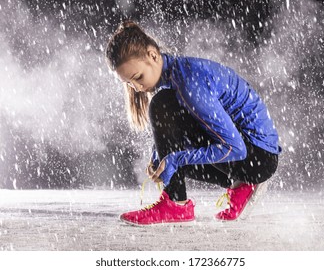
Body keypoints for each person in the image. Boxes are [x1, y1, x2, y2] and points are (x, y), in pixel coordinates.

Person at [105, 20, 281, 226]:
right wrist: (161, 156)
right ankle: (241, 185)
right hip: (256, 159)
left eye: (138, 77)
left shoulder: (190, 83)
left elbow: (236, 149)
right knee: (168, 152)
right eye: (129, 83)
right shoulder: (177, 78)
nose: (136, 88)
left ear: (153, 55)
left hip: (257, 159)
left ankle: (176, 205)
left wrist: (175, 159)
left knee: (162, 106)